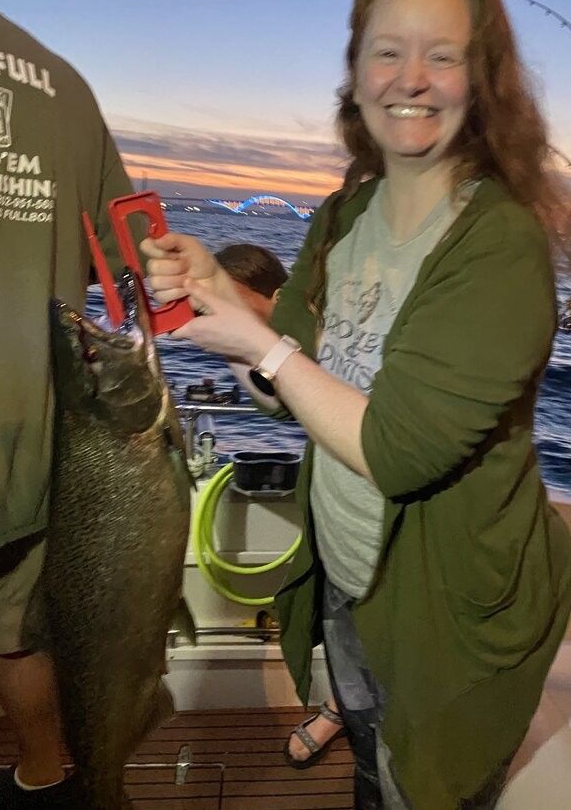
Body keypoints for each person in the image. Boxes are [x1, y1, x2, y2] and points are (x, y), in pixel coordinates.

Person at [142, 0, 571, 809]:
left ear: (480, 78)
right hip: (349, 573)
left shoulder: (501, 247)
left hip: (452, 610)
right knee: (372, 767)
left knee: (426, 787)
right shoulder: (346, 210)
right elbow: (291, 378)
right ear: (355, 71)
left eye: (441, 55)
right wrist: (222, 294)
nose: (410, 78)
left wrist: (260, 347)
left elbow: (399, 451)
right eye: (387, 50)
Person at [0, 0, 135, 808]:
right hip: (35, 445)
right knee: (10, 629)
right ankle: (48, 778)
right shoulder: (64, 81)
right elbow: (139, 258)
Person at [215, 242, 349, 767]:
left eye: (235, 303)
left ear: (277, 294)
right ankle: (340, 708)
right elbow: (275, 404)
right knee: (336, 618)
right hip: (330, 504)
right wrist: (232, 345)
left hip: (374, 503)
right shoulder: (266, 344)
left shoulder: (328, 331)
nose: (225, 316)